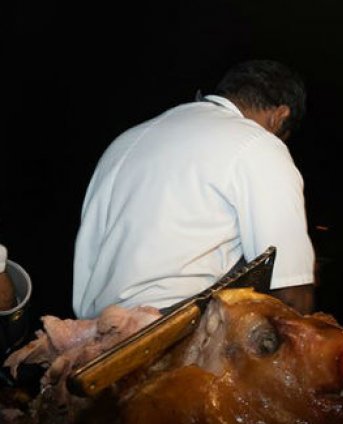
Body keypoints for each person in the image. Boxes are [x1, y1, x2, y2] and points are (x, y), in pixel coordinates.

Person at [72, 60, 315, 319]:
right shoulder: (258, 143)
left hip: (92, 338)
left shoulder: (127, 139)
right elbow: (290, 293)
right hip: (171, 335)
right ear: (280, 116)